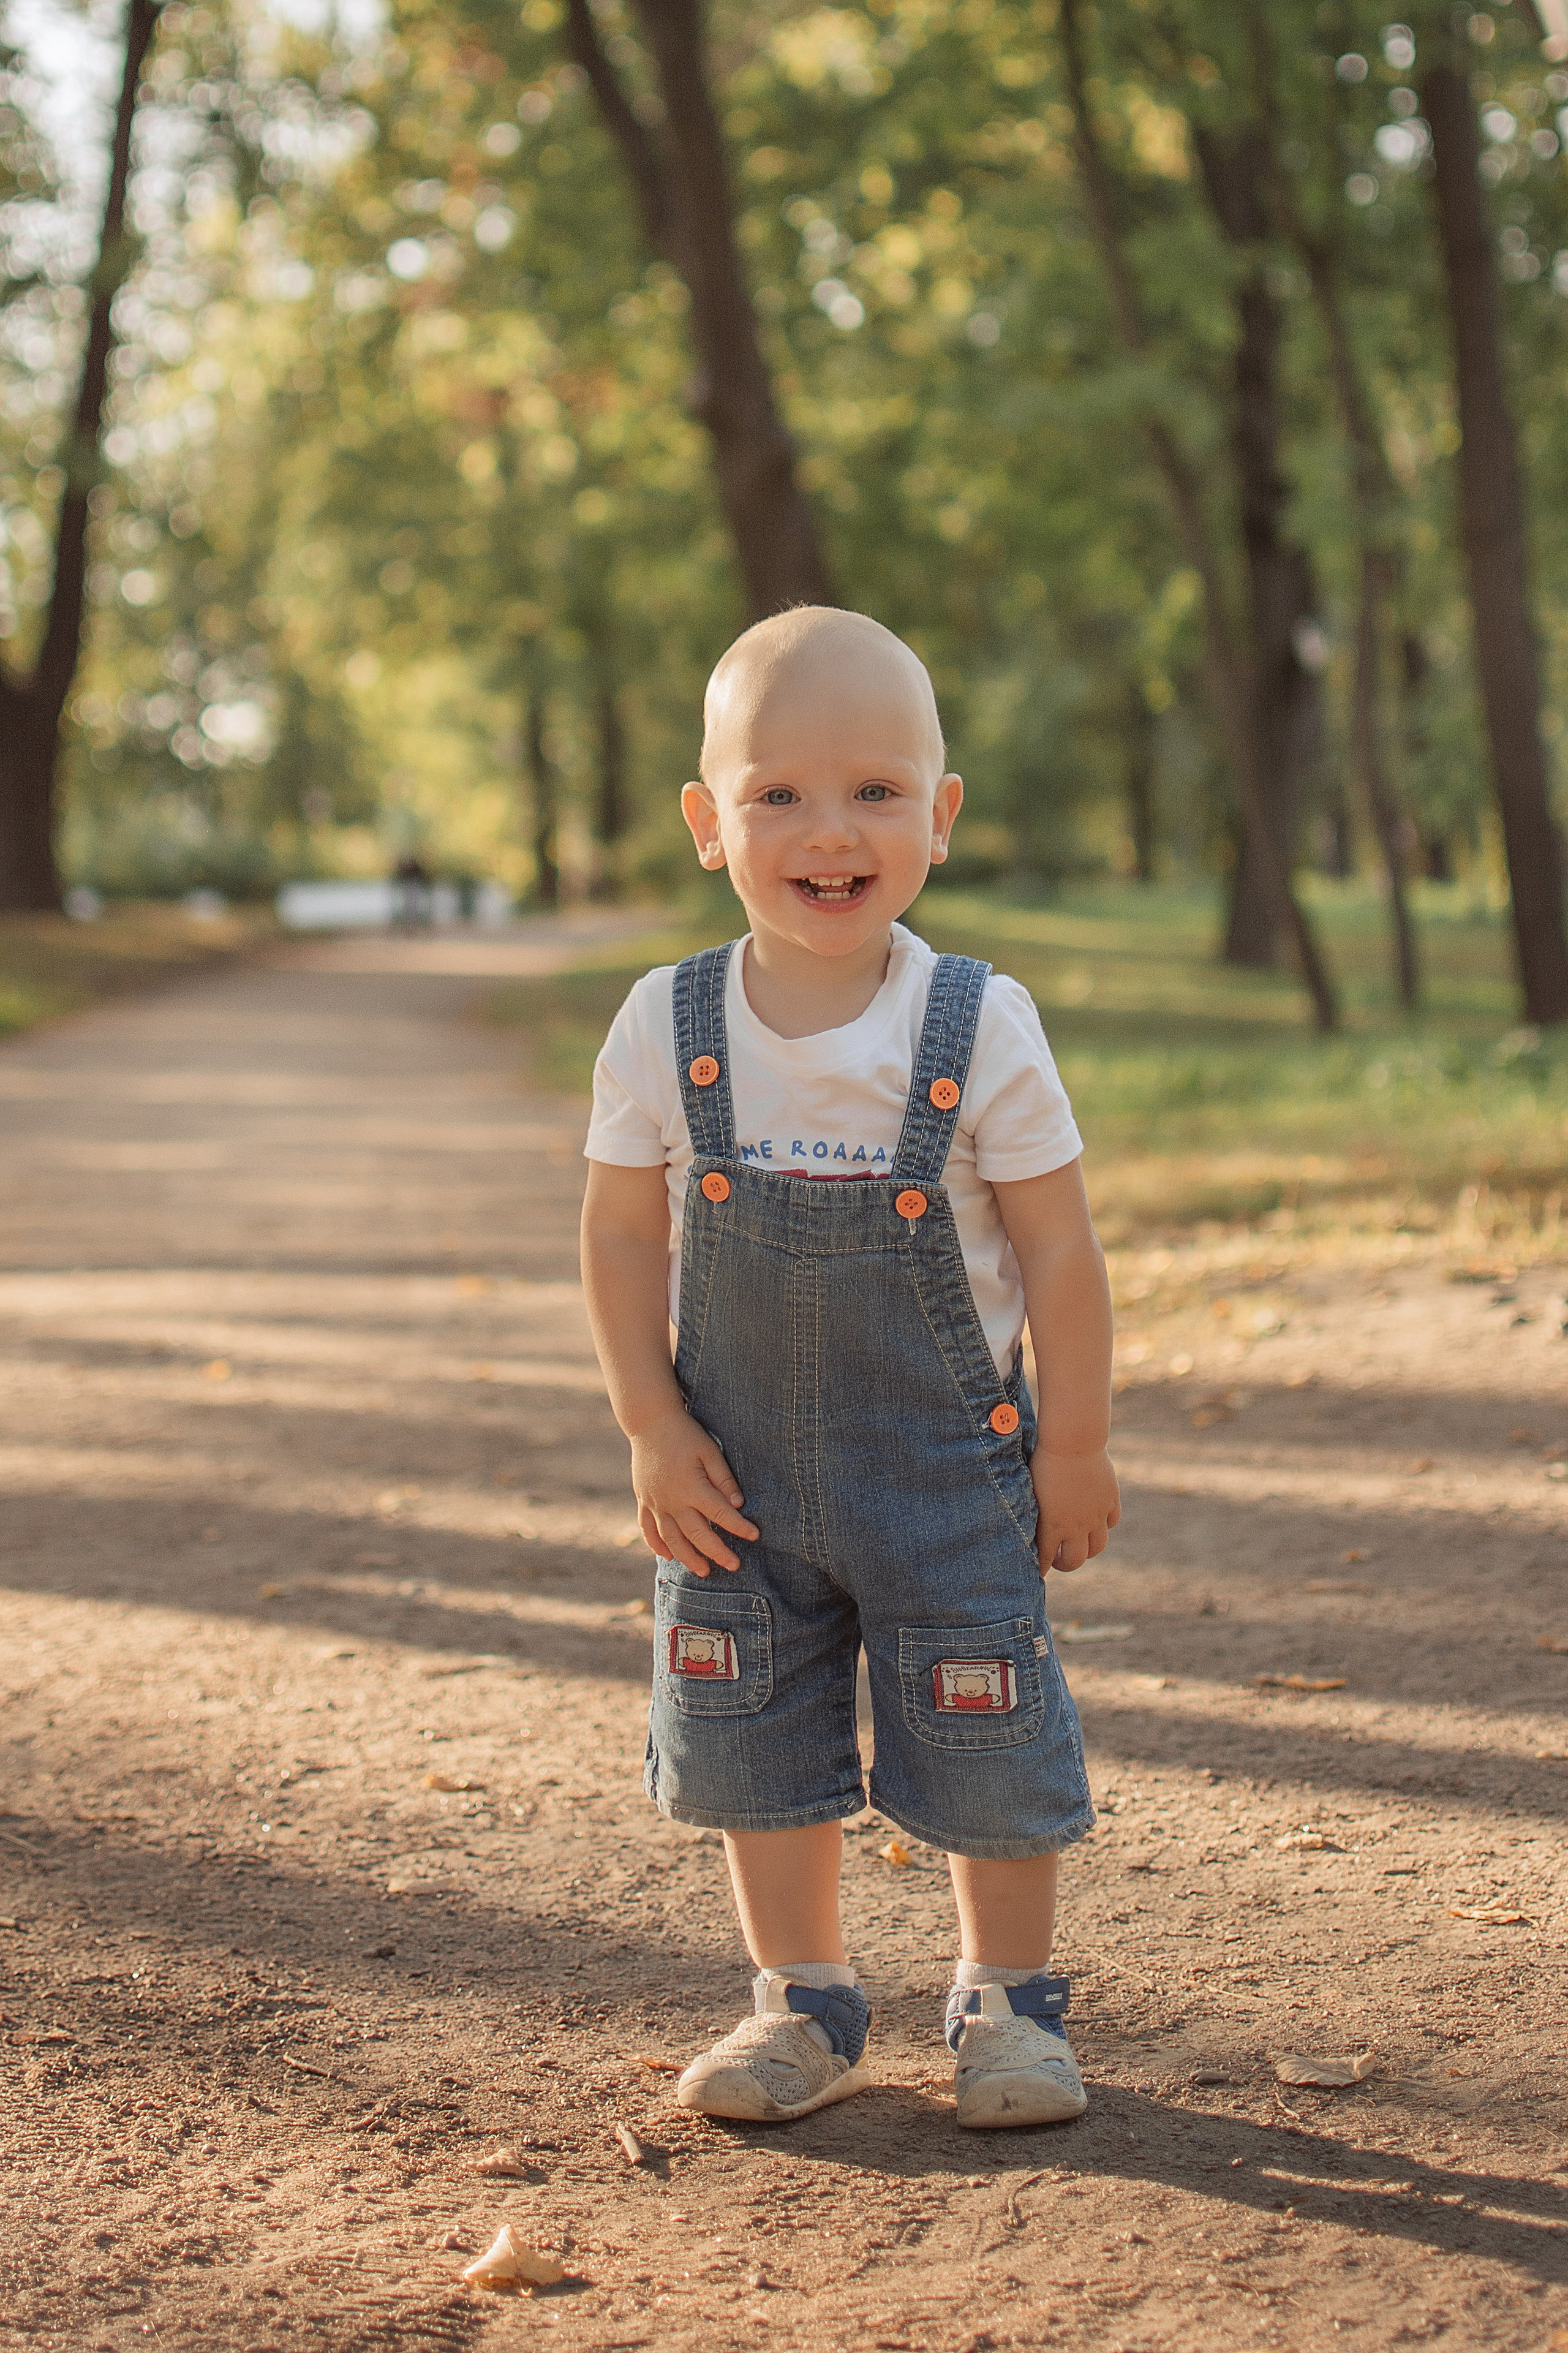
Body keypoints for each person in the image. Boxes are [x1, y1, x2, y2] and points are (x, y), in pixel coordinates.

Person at [579, 608, 1118, 2131]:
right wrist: (646, 1424)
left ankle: (1007, 2003)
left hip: (948, 1475)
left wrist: (1070, 1445)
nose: (829, 832)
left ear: (939, 818)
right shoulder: (664, 1025)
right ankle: (800, 1996)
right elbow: (622, 1239)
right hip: (732, 1476)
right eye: (779, 795)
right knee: (752, 1728)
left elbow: (1060, 1254)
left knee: (985, 1725)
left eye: (876, 791)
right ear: (708, 822)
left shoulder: (975, 1024)